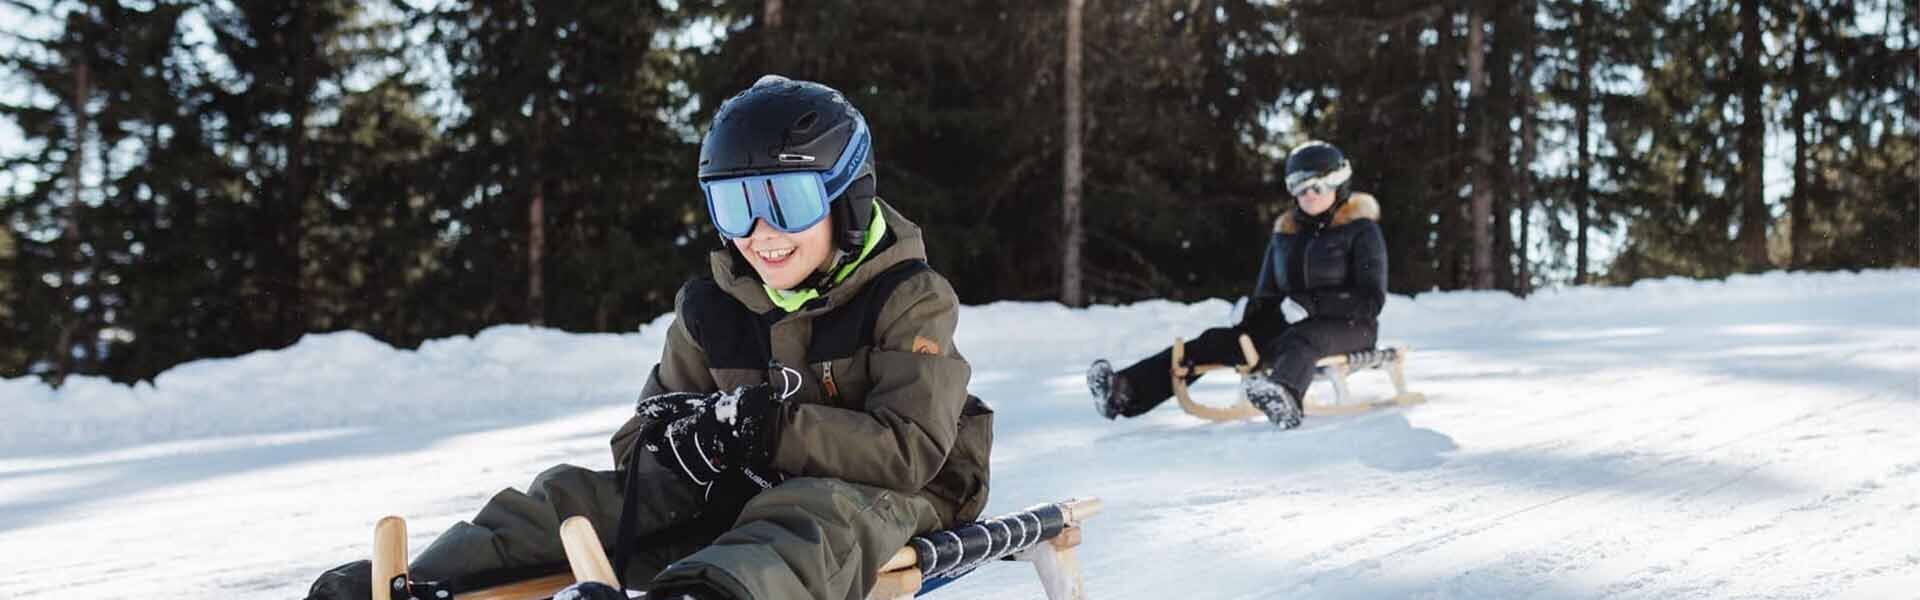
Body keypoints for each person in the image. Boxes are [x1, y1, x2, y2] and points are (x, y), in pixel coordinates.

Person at [305, 75, 992, 600]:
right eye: (735, 205)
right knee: (577, 495)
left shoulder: (907, 297)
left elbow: (910, 448)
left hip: (899, 491)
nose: (761, 232)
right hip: (748, 483)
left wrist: (766, 431)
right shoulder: (712, 308)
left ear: (848, 199)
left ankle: (707, 592)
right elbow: (635, 447)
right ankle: (427, 582)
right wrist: (684, 440)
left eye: (787, 200)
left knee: (817, 509)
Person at [1085, 141, 1388, 429]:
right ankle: (1126, 390)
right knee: (1216, 340)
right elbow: (1269, 294)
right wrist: (1251, 310)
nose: (1307, 194)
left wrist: (1313, 305)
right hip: (1291, 327)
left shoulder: (1361, 231)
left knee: (1301, 337)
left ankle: (1284, 397)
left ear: (1338, 182)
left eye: (1316, 185)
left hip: (1351, 327)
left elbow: (1370, 300)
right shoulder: (1285, 235)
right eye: (1298, 185)